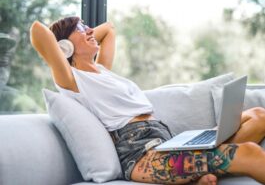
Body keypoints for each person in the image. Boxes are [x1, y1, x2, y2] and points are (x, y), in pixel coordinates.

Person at [30, 16, 265, 185]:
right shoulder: (72, 80)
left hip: (166, 141)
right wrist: (65, 46)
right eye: (80, 28)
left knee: (258, 116)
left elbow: (110, 29)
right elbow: (38, 30)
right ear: (64, 45)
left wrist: (82, 33)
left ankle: (196, 177)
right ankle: (197, 175)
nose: (90, 30)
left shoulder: (102, 70)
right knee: (249, 153)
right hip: (140, 154)